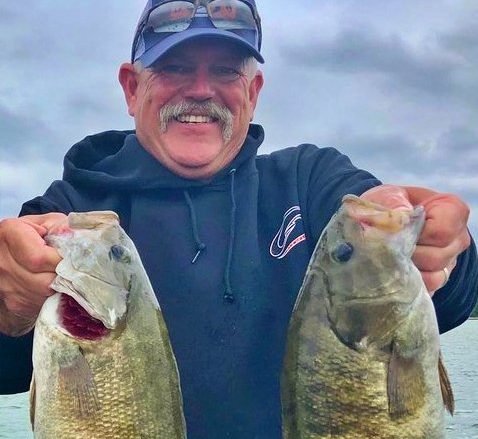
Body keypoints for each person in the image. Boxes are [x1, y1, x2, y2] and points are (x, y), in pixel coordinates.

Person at [0, 1, 476, 437]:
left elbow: (452, 299)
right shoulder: (75, 217)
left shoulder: (309, 180)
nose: (200, 89)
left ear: (253, 91)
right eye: (174, 67)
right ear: (131, 87)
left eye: (225, 70)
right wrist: (9, 306)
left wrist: (438, 251)